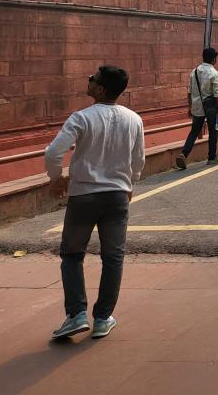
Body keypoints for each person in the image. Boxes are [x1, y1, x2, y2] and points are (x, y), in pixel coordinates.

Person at [45, 65, 145, 340]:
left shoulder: (81, 118)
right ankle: (103, 318)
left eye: (93, 79)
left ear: (100, 89)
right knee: (113, 258)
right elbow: (138, 160)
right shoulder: (134, 119)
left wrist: (56, 179)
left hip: (84, 195)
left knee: (72, 255)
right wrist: (130, 185)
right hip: (117, 195)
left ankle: (76, 314)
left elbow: (54, 152)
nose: (89, 81)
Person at [176, 47, 218, 169]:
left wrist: (190, 107)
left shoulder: (194, 72)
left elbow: (189, 91)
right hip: (211, 106)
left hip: (197, 106)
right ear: (213, 59)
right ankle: (212, 157)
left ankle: (183, 154)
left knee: (194, 131)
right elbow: (217, 94)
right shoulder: (214, 73)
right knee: (213, 131)